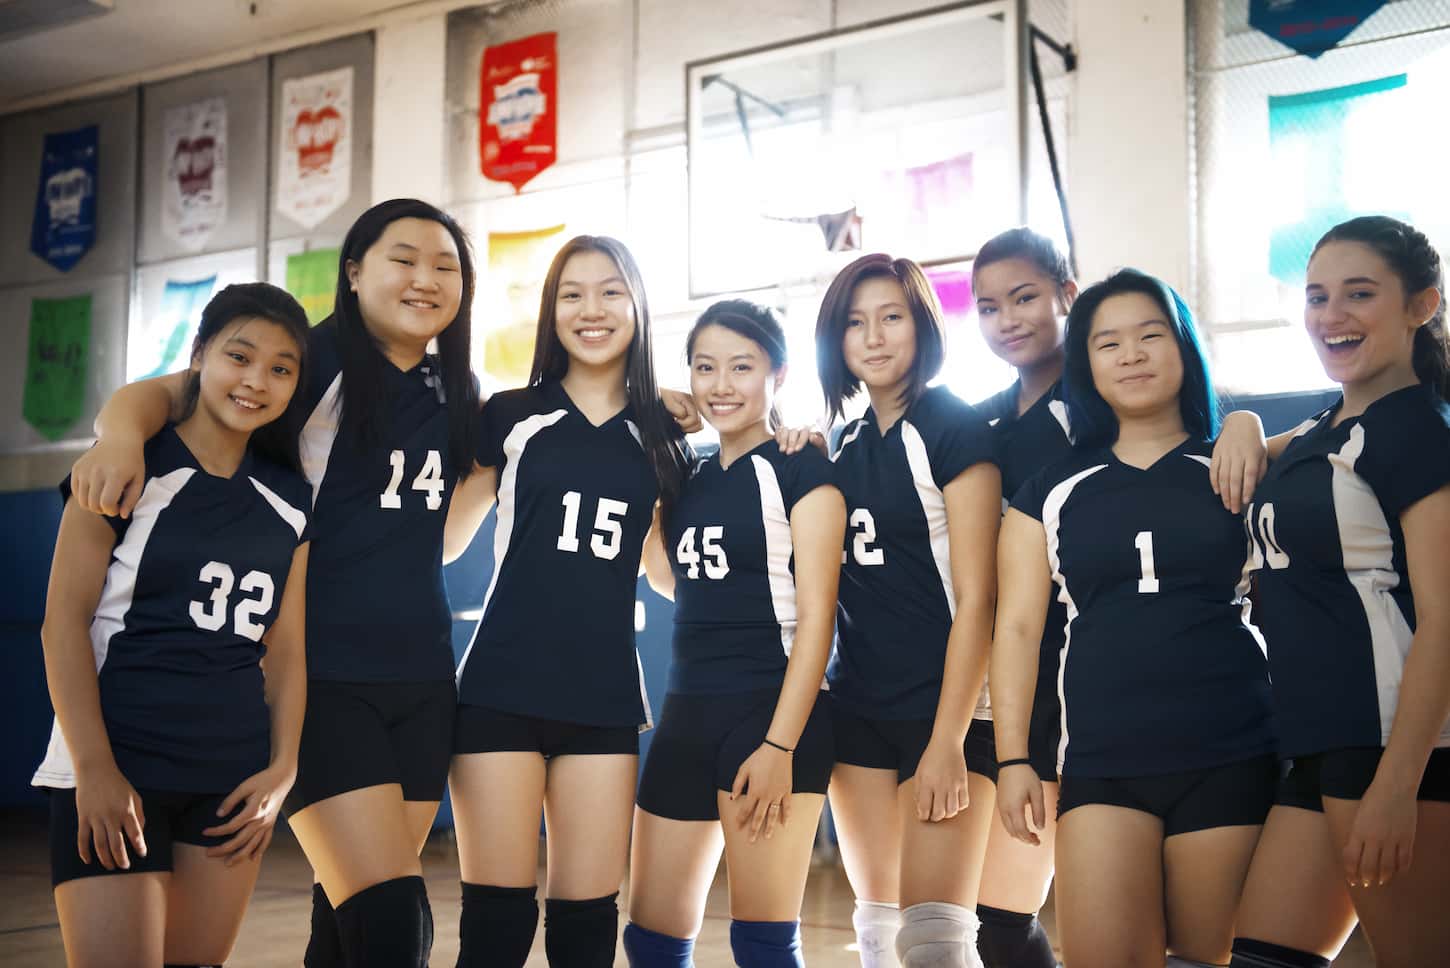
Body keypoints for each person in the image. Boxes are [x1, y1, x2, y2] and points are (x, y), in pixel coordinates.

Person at [66, 198, 481, 968]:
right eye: (403, 258)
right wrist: (118, 435)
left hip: (423, 682)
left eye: (445, 266)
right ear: (353, 272)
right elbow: (167, 392)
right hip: (320, 677)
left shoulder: (454, 391)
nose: (425, 278)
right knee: (394, 921)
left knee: (349, 918)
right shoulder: (304, 360)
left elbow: (450, 534)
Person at [992, 268, 1277, 968]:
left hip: (1231, 754)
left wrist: (1249, 423)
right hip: (1101, 764)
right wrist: (1012, 759)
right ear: (1085, 364)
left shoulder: (1236, 463)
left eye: (1151, 335)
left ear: (1184, 348)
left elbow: (1331, 434)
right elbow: (1019, 629)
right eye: (1108, 342)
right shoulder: (1050, 490)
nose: (1132, 354)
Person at [33, 283, 312, 967]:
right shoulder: (127, 466)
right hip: (116, 761)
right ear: (198, 358)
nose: (256, 381)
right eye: (239, 357)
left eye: (281, 368)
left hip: (228, 775)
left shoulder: (290, 498)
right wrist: (93, 770)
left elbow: (287, 651)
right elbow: (61, 625)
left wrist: (282, 769)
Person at [449, 235, 692, 967]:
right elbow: (445, 541)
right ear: (550, 312)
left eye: (611, 291)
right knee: (495, 929)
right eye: (572, 294)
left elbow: (666, 574)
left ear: (639, 306)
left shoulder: (664, 435)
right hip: (499, 686)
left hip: (603, 696)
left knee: (587, 929)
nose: (592, 310)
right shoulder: (511, 415)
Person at [1220, 216, 1450, 968]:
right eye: (1317, 296)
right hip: (1320, 742)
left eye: (1360, 294)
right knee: (1261, 954)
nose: (1331, 315)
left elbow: (1447, 620)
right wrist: (1247, 420)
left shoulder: (1418, 433)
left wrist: (1398, 784)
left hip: (1393, 747)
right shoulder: (1333, 423)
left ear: (1422, 304)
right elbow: (1243, 451)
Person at [623, 299, 845, 966]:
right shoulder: (688, 474)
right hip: (686, 716)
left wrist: (780, 744)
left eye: (741, 367)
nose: (721, 385)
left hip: (769, 718)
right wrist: (656, 455)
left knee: (763, 946)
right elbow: (670, 579)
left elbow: (818, 620)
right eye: (705, 367)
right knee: (651, 942)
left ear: (777, 374)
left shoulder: (803, 467)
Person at [819, 253, 1003, 968]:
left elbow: (980, 598)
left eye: (891, 316)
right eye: (855, 322)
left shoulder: (953, 426)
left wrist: (949, 739)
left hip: (948, 713)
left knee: (934, 942)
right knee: (878, 933)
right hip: (861, 708)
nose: (874, 336)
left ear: (922, 324)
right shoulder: (846, 444)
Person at [969, 228, 1077, 968]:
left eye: (1025, 297)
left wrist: (1244, 422)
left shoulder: (1109, 402)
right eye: (986, 306)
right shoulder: (980, 424)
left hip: (1095, 680)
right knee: (998, 920)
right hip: (1006, 683)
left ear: (1067, 294)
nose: (1006, 319)